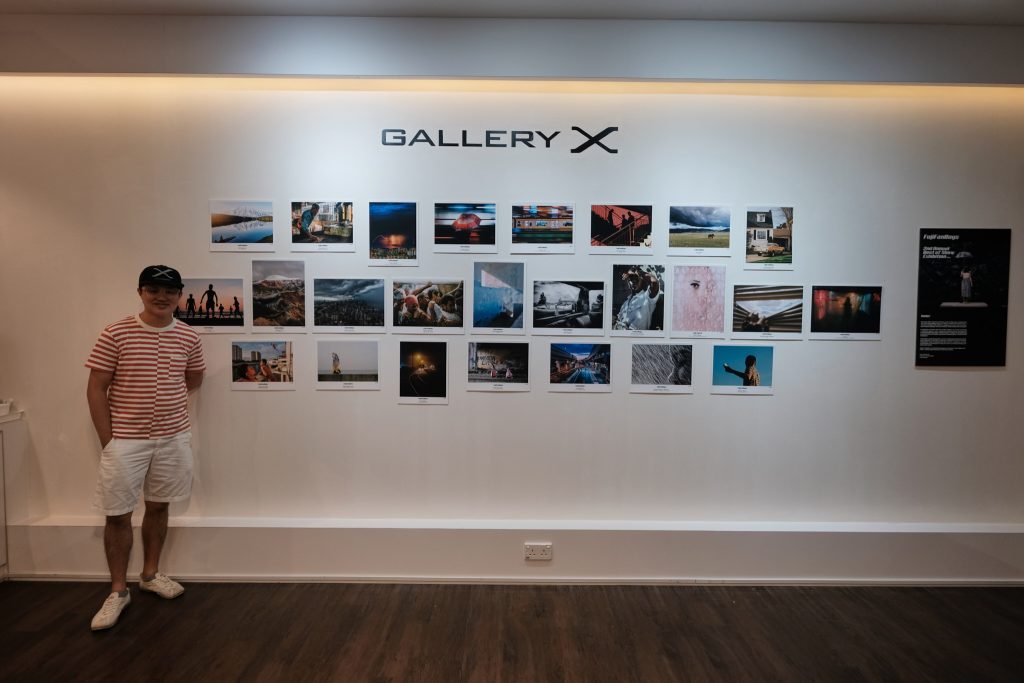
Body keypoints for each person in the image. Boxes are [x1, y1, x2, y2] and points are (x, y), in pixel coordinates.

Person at [85, 265, 205, 631]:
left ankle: (150, 574)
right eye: (153, 290)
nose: (161, 297)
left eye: (169, 291)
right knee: (117, 514)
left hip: (172, 437)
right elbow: (96, 388)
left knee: (159, 505)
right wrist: (109, 441)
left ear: (180, 295)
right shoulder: (116, 332)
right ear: (140, 292)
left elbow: (193, 378)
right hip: (125, 440)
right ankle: (117, 590)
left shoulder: (188, 336)